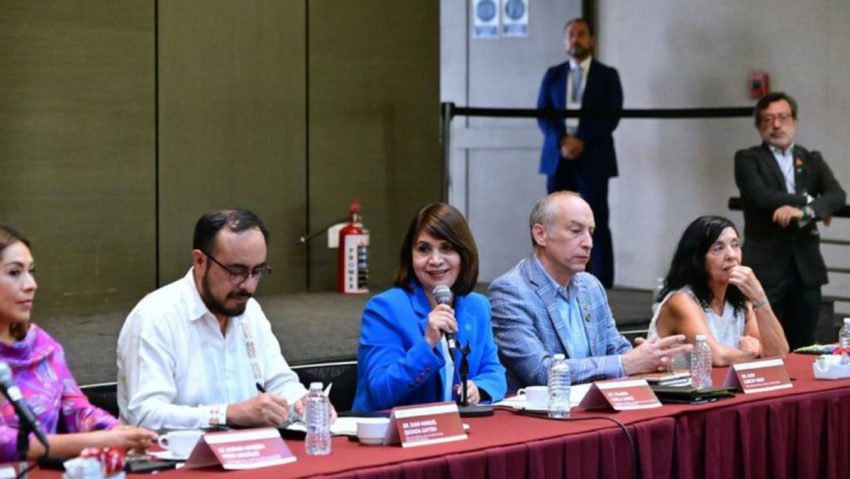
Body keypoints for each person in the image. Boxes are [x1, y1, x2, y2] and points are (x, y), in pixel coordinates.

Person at [117, 209, 322, 431]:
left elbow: (279, 383)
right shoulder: (155, 317)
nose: (248, 286)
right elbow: (145, 415)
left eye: (257, 271)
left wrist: (304, 404)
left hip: (249, 448)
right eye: (236, 271)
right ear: (200, 261)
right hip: (173, 452)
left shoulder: (250, 311)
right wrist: (227, 414)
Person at [489, 192, 691, 391]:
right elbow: (541, 372)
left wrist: (650, 357)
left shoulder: (590, 285)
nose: (588, 243)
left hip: (597, 404)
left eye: (591, 232)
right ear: (541, 234)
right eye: (575, 231)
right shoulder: (511, 291)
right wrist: (626, 363)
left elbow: (615, 348)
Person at [0, 225, 156, 462]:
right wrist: (96, 441)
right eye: (14, 272)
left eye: (31, 271)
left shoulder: (39, 344)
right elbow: (5, 442)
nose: (31, 284)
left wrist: (118, 432)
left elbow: (76, 410)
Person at [352, 203, 506, 411]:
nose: (435, 260)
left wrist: (479, 389)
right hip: (394, 428)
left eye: (447, 248)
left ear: (463, 253)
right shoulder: (385, 309)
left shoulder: (478, 306)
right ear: (410, 255)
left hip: (458, 426)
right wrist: (428, 343)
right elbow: (380, 391)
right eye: (424, 249)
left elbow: (494, 372)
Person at [734, 92, 846, 350]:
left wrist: (804, 212)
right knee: (763, 342)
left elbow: (837, 195)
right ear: (759, 126)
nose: (776, 125)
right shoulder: (748, 158)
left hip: (806, 266)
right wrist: (809, 202)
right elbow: (759, 196)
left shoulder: (811, 158)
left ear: (794, 121)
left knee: (804, 344)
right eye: (768, 119)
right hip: (766, 266)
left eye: (783, 117)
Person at [536, 17, 623, 288]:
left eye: (581, 34)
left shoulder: (607, 75)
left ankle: (602, 284)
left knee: (596, 220)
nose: (575, 39)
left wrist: (581, 139)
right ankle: (552, 277)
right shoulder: (553, 74)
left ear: (591, 40)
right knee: (553, 220)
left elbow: (611, 116)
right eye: (571, 34)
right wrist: (562, 140)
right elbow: (543, 114)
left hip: (593, 157)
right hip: (558, 157)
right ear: (565, 40)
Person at [649, 216, 789, 366]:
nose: (731, 256)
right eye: (718, 248)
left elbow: (778, 353)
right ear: (697, 259)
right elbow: (714, 356)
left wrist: (759, 296)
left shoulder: (740, 301)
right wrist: (751, 353)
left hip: (724, 381)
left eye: (735, 245)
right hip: (678, 381)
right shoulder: (682, 300)